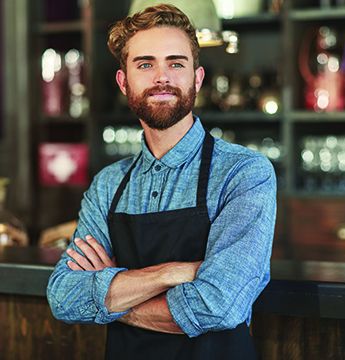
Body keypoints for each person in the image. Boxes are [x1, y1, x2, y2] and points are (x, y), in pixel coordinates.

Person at [46, 4, 277, 360]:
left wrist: (113, 290)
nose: (162, 77)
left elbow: (218, 305)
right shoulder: (108, 185)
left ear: (196, 78)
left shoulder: (244, 173)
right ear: (124, 81)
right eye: (145, 64)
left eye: (176, 63)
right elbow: (64, 296)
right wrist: (173, 273)